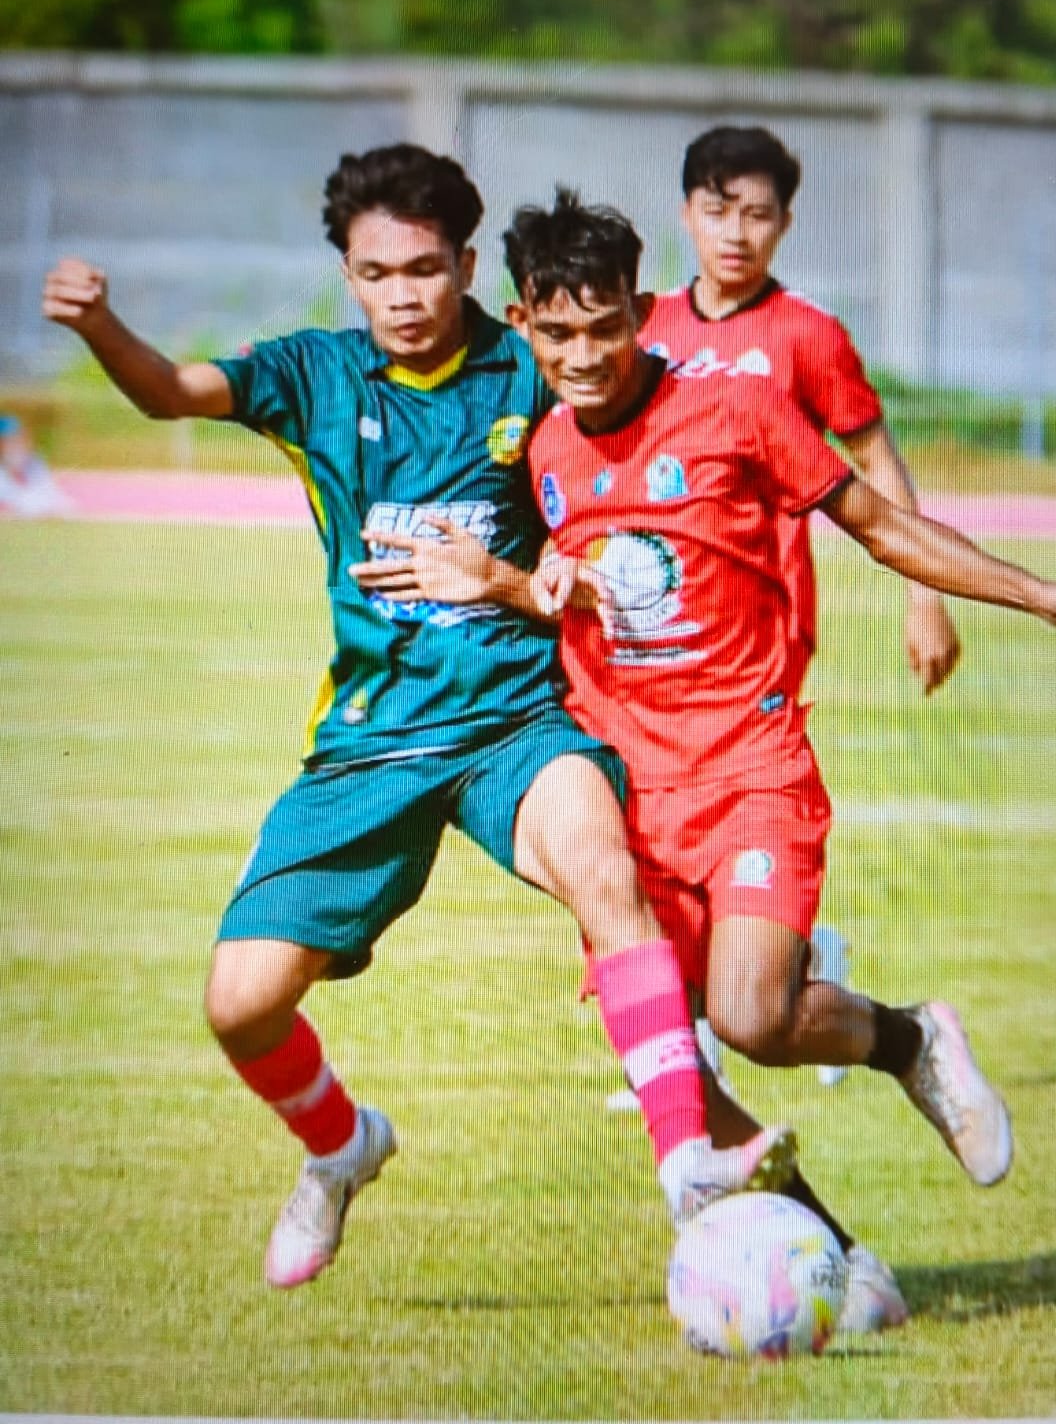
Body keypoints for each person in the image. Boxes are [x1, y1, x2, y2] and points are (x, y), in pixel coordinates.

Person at [39, 144, 795, 1293]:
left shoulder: (530, 364)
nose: (402, 295)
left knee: (606, 872)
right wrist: (101, 324)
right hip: (372, 740)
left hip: (516, 723)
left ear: (470, 266)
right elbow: (169, 391)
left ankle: (685, 1161)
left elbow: (638, 434)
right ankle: (340, 1146)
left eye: (426, 269)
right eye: (377, 272)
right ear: (347, 275)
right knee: (239, 1004)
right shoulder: (314, 375)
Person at [500, 190, 1056, 1321]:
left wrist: (1039, 596)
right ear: (522, 324)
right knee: (667, 1061)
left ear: (643, 310)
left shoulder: (737, 410)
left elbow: (879, 525)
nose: (584, 357)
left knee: (752, 1016)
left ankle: (910, 1039)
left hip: (750, 765)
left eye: (605, 328)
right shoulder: (535, 445)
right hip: (624, 797)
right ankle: (839, 1260)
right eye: (558, 334)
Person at [645, 123, 961, 697]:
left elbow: (878, 464)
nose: (736, 234)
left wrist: (925, 595)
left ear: (785, 223)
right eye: (717, 212)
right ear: (686, 214)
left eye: (757, 215)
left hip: (767, 616)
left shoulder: (809, 333)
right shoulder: (644, 328)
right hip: (655, 612)